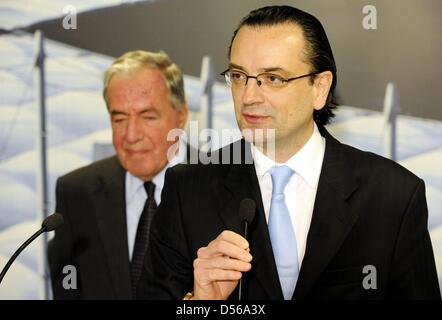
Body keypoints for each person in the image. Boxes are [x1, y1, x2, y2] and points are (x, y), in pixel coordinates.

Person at [138, 6, 441, 300]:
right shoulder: (188, 189)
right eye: (239, 76)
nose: (249, 96)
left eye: (273, 78)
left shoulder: (392, 195)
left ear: (319, 88)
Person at [48, 50, 189, 299]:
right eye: (120, 118)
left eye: (148, 117)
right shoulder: (76, 192)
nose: (131, 135)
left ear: (181, 115)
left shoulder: (223, 187)